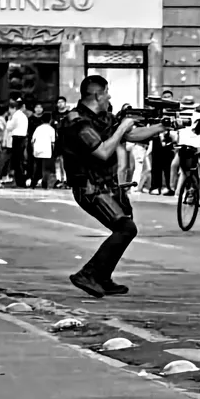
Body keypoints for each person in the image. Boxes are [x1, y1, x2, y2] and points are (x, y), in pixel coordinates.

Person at [58, 75, 167, 298]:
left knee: (126, 223)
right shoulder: (76, 121)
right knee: (126, 228)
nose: (110, 97)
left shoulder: (104, 117)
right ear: (97, 95)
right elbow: (102, 152)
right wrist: (122, 128)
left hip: (107, 185)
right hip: (89, 188)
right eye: (107, 92)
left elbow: (132, 135)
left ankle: (103, 277)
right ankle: (88, 274)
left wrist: (162, 126)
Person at [5, 99, 28, 188]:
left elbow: (9, 127)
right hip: (23, 137)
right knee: (20, 160)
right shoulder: (23, 116)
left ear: (13, 108)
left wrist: (8, 120)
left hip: (17, 138)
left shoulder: (15, 116)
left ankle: (19, 181)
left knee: (17, 161)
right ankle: (20, 181)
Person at [30, 112, 56, 189]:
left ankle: (33, 183)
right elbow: (53, 142)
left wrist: (33, 149)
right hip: (47, 151)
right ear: (50, 120)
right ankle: (45, 184)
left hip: (37, 150)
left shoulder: (38, 128)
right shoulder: (51, 129)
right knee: (46, 169)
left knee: (37, 168)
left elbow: (32, 141)